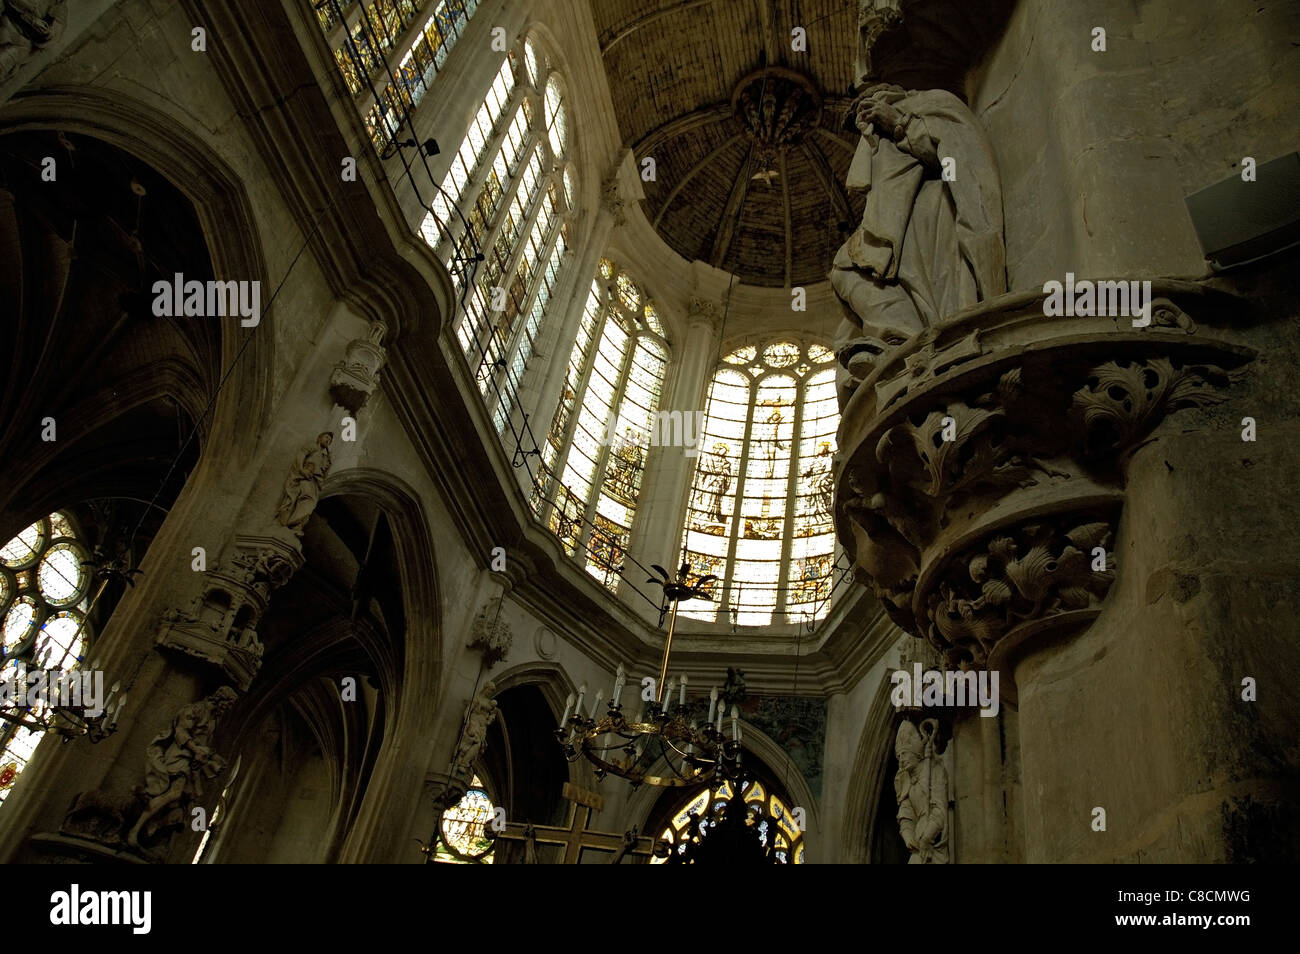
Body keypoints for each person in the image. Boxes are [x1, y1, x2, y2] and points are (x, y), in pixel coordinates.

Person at [831, 82, 1006, 403]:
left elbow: (960, 154)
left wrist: (898, 122)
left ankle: (941, 343)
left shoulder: (934, 101)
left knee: (917, 276)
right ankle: (904, 342)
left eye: (867, 105)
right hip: (891, 222)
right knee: (845, 269)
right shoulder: (877, 134)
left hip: (933, 209)